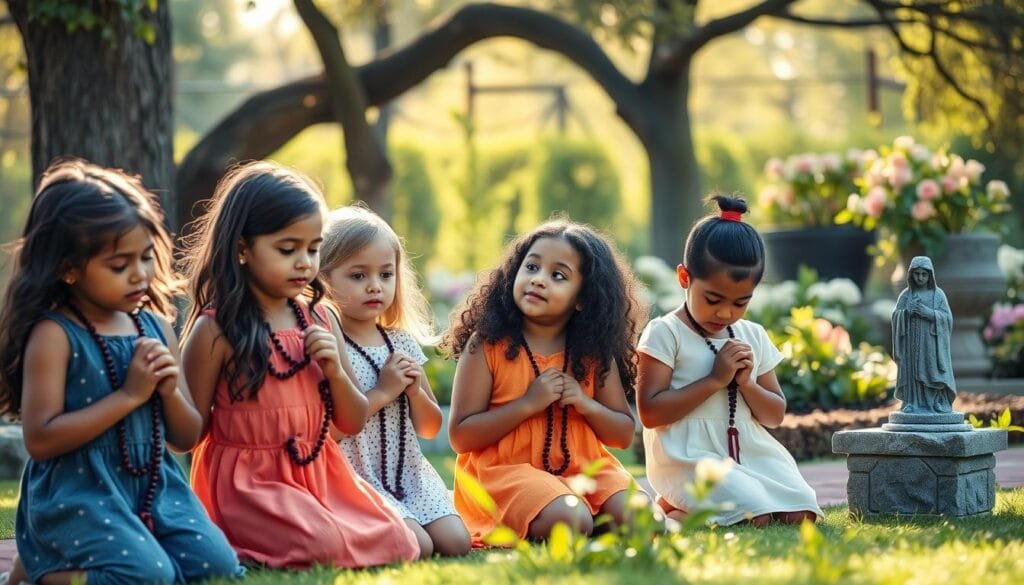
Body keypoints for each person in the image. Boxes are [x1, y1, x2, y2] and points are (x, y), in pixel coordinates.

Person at [0, 159, 242, 584]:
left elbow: (185, 438)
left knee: (217, 567)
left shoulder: (155, 326)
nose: (140, 274)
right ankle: (42, 574)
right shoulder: (55, 335)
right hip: (78, 494)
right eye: (119, 265)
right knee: (148, 577)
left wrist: (168, 392)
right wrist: (129, 396)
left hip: (155, 487)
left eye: (146, 257)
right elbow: (40, 440)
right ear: (68, 269)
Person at [180, 162, 420, 568]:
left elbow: (351, 420)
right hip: (250, 483)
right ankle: (240, 542)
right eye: (287, 249)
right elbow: (187, 435)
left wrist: (334, 371)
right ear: (242, 248)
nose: (305, 263)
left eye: (313, 249)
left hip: (318, 471)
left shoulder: (321, 318)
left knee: (400, 539)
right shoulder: (216, 330)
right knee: (324, 546)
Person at [441, 219, 648, 542]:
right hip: (505, 473)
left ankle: (584, 517)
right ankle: (571, 517)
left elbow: (622, 434)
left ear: (582, 298)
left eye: (558, 275)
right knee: (570, 518)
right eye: (532, 267)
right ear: (514, 273)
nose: (538, 280)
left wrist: (584, 403)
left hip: (585, 468)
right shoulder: (487, 344)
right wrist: (527, 404)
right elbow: (461, 437)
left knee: (644, 520)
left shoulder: (593, 352)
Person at [636, 195, 822, 527]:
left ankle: (697, 507)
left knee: (802, 512)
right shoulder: (665, 333)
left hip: (749, 453)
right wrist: (714, 381)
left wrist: (747, 383)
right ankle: (676, 505)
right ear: (684, 278)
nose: (725, 313)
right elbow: (651, 414)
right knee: (756, 517)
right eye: (713, 299)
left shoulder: (752, 335)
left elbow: (775, 415)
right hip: (691, 458)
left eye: (741, 302)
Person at [319, 205, 471, 557]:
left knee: (456, 543)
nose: (375, 286)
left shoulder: (400, 342)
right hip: (357, 476)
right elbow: (331, 432)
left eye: (386, 275)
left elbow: (431, 428)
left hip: (409, 475)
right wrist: (383, 391)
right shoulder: (330, 344)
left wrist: (416, 392)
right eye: (358, 276)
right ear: (323, 279)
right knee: (419, 546)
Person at [891, 256, 956, 413]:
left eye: (924, 274)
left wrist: (930, 314)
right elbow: (896, 316)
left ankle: (937, 401)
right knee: (913, 372)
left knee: (931, 370)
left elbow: (947, 319)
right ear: (911, 275)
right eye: (917, 274)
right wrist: (906, 313)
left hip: (931, 344)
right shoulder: (906, 295)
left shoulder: (938, 295)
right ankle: (912, 402)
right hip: (912, 344)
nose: (920, 278)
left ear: (930, 275)